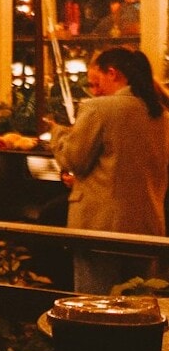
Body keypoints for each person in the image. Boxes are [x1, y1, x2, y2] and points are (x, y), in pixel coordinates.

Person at [49, 47, 169, 294]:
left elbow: (74, 160)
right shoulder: (160, 115)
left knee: (95, 301)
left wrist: (57, 133)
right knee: (138, 302)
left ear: (112, 73)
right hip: (147, 227)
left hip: (100, 227)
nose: (95, 91)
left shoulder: (100, 108)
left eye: (96, 83)